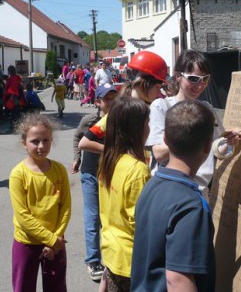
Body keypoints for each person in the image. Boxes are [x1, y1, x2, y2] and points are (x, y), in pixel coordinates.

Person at [131, 100, 216, 292]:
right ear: (208, 146)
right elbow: (177, 280)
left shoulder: (151, 184)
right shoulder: (192, 206)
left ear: (166, 140)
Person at [146, 49, 241, 195]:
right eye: (193, 79)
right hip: (171, 191)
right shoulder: (161, 106)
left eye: (205, 79)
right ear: (178, 76)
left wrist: (229, 142)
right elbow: (159, 154)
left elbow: (215, 150)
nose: (200, 85)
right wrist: (196, 139)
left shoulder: (207, 108)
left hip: (200, 191)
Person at [9, 113, 71, 292]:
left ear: (52, 140)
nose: (41, 146)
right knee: (23, 287)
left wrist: (56, 238)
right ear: (24, 143)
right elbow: (22, 216)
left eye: (46, 140)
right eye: (35, 141)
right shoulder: (18, 174)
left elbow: (65, 207)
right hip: (26, 242)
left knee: (56, 286)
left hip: (56, 241)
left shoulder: (59, 170)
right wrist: (52, 239)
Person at [98, 96, 151, 291]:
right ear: (136, 128)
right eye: (147, 123)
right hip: (131, 260)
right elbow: (140, 222)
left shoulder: (109, 158)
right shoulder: (138, 170)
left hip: (112, 251)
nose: (150, 129)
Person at [71, 84, 118, 281]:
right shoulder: (90, 120)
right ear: (97, 101)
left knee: (109, 217)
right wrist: (77, 158)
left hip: (111, 174)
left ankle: (111, 256)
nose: (110, 102)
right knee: (92, 218)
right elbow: (77, 136)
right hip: (90, 174)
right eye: (106, 98)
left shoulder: (119, 119)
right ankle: (93, 260)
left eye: (113, 97)